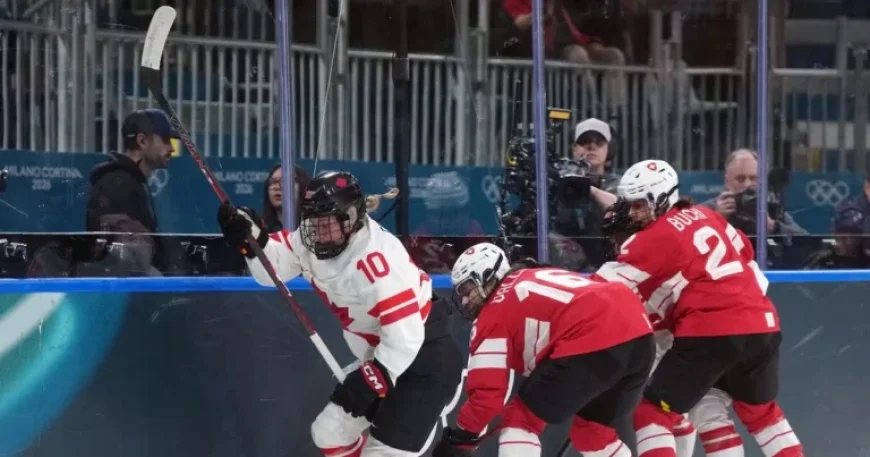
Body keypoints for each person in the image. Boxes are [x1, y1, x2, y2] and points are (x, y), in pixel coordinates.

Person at [216, 171, 463, 457]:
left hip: (424, 363)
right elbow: (276, 268)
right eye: (314, 222)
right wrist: (252, 241)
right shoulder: (317, 235)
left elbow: (405, 335)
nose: (319, 232)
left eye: (327, 224)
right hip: (383, 357)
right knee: (329, 432)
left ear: (352, 217)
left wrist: (373, 378)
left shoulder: (378, 260)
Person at [593, 159, 804, 457]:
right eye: (630, 205)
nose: (633, 213)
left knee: (651, 412)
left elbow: (605, 290)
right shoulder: (709, 215)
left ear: (662, 198)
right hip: (763, 323)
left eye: (640, 204)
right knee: (762, 415)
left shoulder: (649, 239)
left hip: (710, 331)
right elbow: (746, 253)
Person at [434, 243, 654, 457]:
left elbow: (486, 396)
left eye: (467, 289)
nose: (464, 300)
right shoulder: (534, 273)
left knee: (519, 422)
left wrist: (460, 438)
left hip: (594, 336)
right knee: (593, 434)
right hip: (641, 332)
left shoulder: (492, 314)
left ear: (488, 276)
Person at [261, 164, 311, 232]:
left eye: (284, 181)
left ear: (302, 188)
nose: (276, 187)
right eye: (272, 182)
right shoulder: (260, 230)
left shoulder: (312, 228)